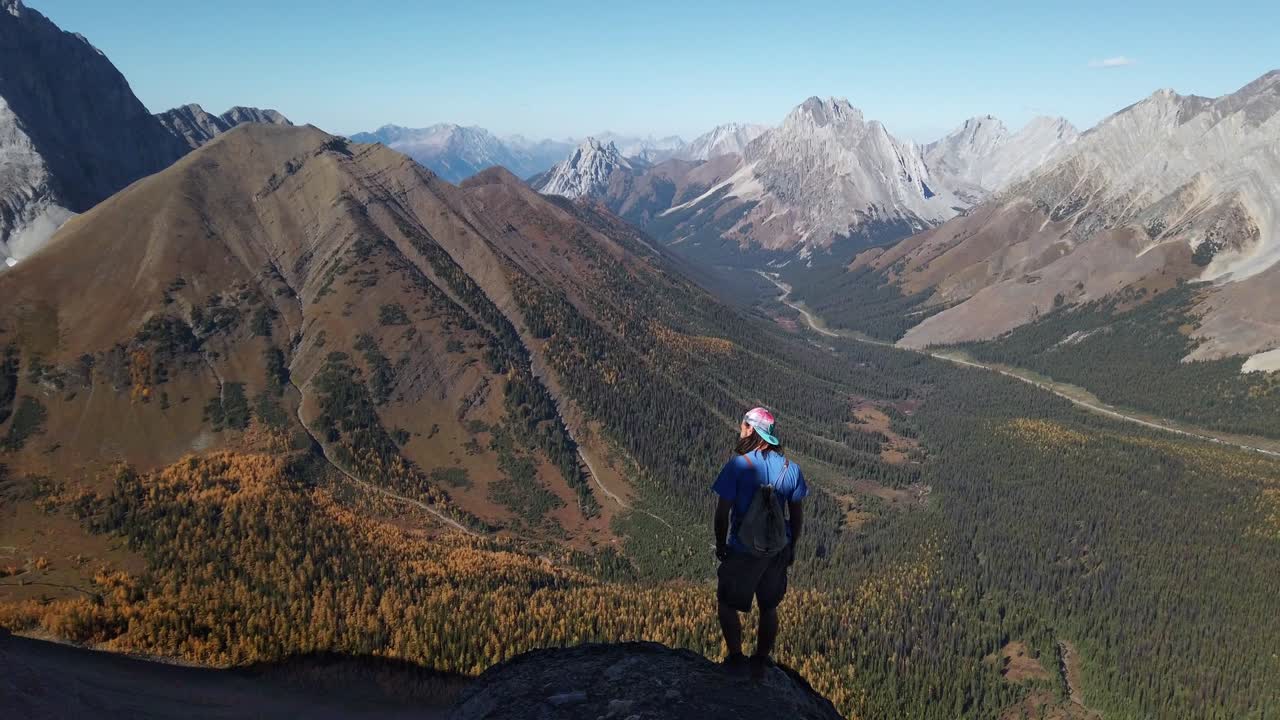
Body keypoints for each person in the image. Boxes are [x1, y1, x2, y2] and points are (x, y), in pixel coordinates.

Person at [712, 406, 807, 681]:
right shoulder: (791, 470)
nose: (740, 430)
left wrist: (721, 545)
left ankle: (736, 658)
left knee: (727, 602)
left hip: (743, 550)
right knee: (769, 606)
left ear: (752, 430)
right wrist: (792, 547)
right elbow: (796, 515)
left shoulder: (738, 466)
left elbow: (722, 513)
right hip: (777, 549)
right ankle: (761, 661)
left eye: (743, 426)